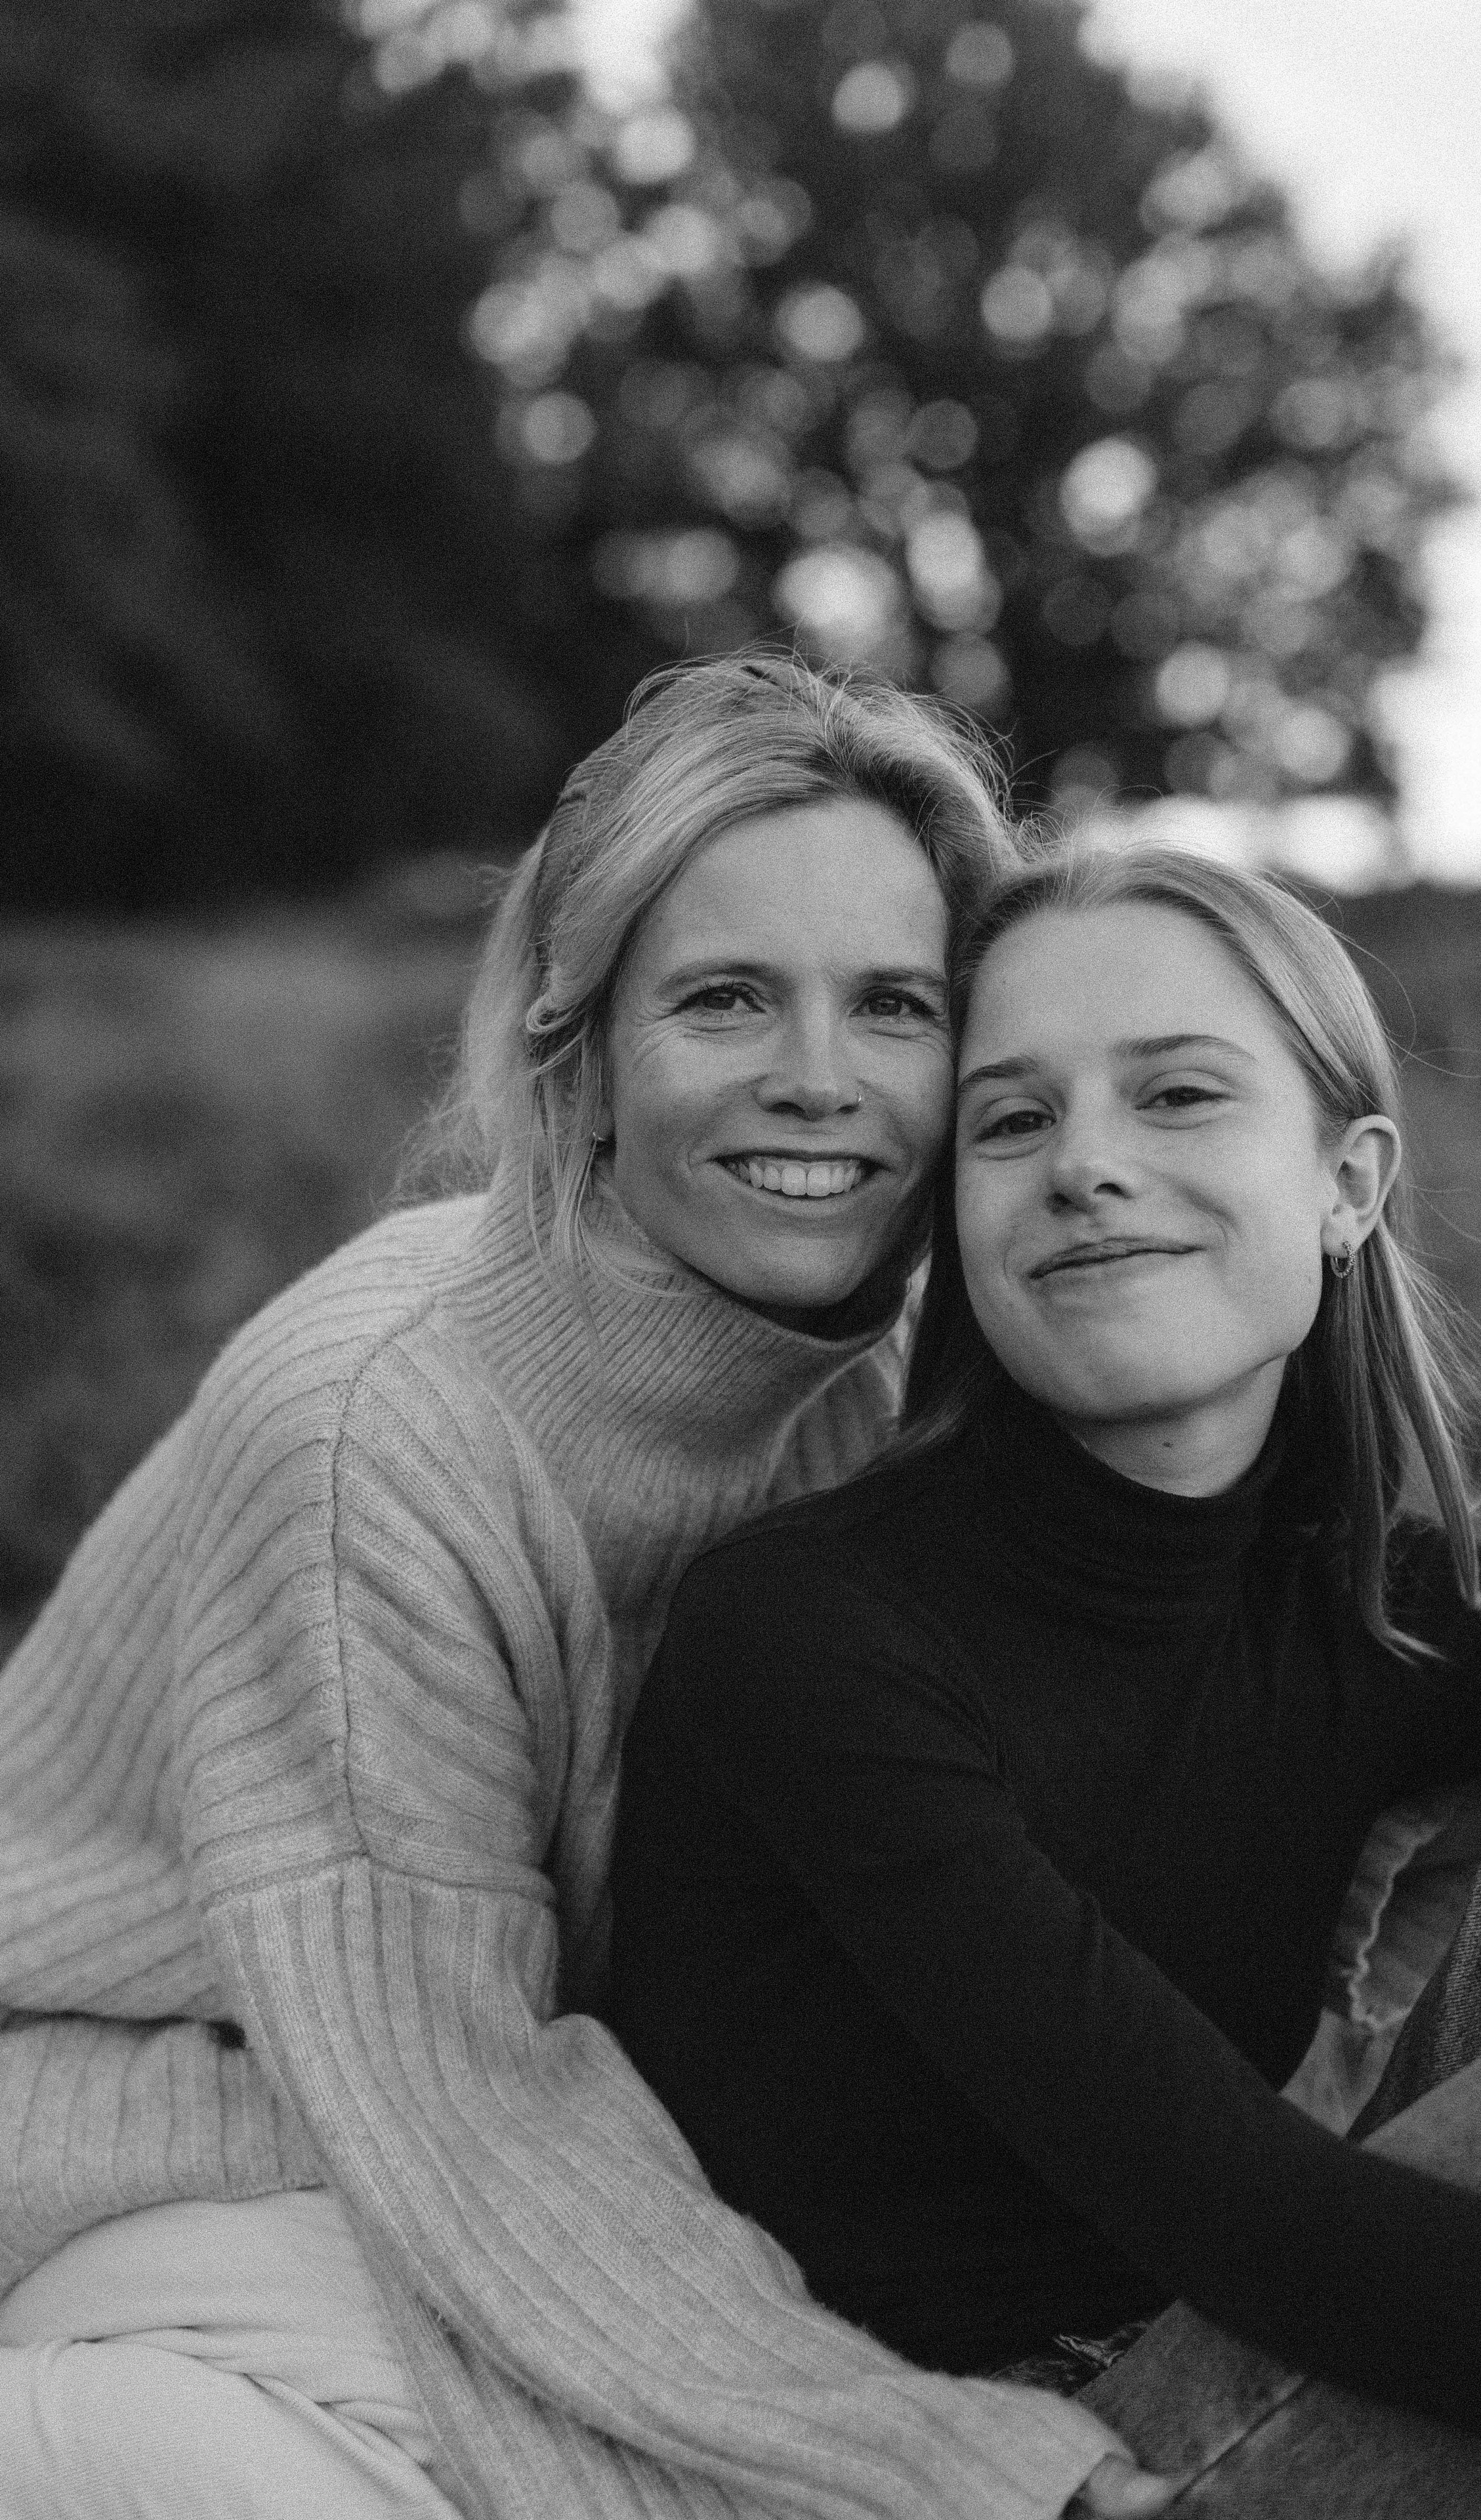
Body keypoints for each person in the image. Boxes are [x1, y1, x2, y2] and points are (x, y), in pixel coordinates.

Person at [0, 659, 1132, 2520]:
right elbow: (459, 2101)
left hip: (503, 2098)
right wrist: (944, 2461)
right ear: (574, 1038)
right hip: (191, 2125)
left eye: (897, 1009)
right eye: (723, 1000)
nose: (821, 1082)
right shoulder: (380, 1429)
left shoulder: (879, 1368)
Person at [609, 839, 1481, 2508]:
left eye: (1175, 1096)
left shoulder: (1369, 1592)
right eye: (1013, 1119)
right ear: (957, 1218)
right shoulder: (809, 1632)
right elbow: (1244, 2221)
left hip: (1241, 2350)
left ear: (1346, 1184)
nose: (1085, 1167)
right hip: (989, 2457)